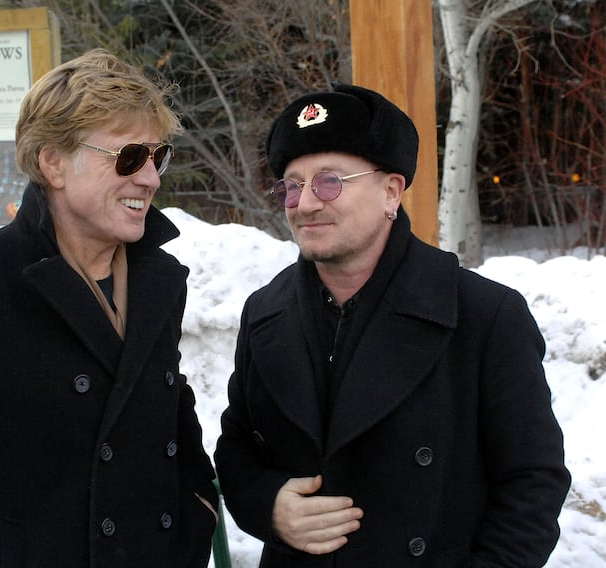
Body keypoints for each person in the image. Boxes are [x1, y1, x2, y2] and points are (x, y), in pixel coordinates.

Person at [0, 48, 218, 567]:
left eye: (157, 157)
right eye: (128, 156)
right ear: (53, 162)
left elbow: (171, 420)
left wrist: (197, 514)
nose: (151, 178)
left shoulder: (159, 282)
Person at [214, 83, 571, 567]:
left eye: (330, 181)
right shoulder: (265, 313)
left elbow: (532, 485)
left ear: (391, 192)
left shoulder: (484, 315)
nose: (306, 203)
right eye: (292, 186)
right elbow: (238, 447)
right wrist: (270, 507)